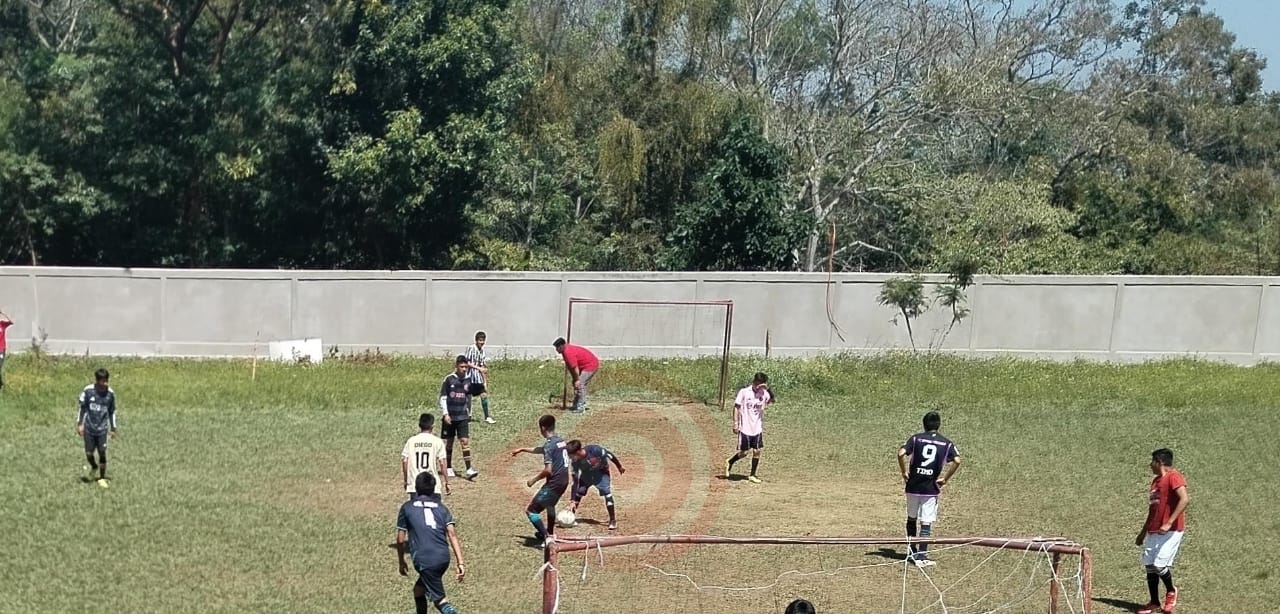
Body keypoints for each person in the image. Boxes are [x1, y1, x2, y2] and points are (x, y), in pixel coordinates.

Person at [896, 410, 961, 567]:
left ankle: (911, 551)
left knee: (911, 518)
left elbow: (901, 453)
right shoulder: (946, 443)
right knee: (926, 522)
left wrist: (904, 472)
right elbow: (957, 460)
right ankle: (921, 556)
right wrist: (945, 479)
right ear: (938, 425)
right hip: (930, 488)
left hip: (913, 485)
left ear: (924, 425)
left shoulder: (916, 438)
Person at [396, 472, 466, 614]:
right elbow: (452, 534)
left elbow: (400, 539)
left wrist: (401, 561)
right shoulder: (441, 508)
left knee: (440, 600)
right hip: (443, 558)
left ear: (416, 487)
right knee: (418, 591)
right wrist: (460, 562)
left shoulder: (407, 507)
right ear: (434, 488)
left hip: (424, 559)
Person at [1135, 448, 1189, 614]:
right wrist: (1143, 532)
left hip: (1171, 530)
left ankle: (1171, 591)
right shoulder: (1155, 482)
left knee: (1159, 565)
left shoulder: (1174, 476)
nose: (1150, 465)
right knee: (1149, 565)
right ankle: (1154, 602)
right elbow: (1153, 510)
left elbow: (1184, 499)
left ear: (1159, 462)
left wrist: (1169, 521)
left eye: (1152, 461)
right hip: (1154, 530)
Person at [509, 414, 570, 545]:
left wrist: (533, 480)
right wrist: (523, 449)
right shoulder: (560, 441)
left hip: (554, 483)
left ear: (542, 428)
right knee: (550, 505)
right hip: (564, 481)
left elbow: (548, 470)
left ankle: (547, 538)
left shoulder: (549, 445)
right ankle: (550, 532)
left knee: (531, 511)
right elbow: (542, 450)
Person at [724, 372, 774, 483]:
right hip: (745, 427)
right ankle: (730, 462)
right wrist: (735, 423)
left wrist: (768, 389)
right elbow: (736, 407)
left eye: (762, 384)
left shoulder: (764, 393)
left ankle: (752, 475)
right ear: (754, 381)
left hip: (757, 427)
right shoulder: (744, 392)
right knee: (744, 453)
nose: (759, 386)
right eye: (758, 383)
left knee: (757, 451)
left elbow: (772, 400)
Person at [566, 439, 626, 530]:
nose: (570, 458)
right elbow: (575, 481)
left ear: (577, 452)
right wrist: (572, 500)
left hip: (601, 474)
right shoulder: (575, 462)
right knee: (579, 492)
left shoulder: (595, 450)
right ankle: (570, 518)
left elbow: (610, 455)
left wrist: (619, 466)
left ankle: (612, 520)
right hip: (587, 475)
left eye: (571, 455)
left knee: (606, 492)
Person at [76, 368, 118, 488]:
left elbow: (112, 412)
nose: (105, 383)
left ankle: (102, 478)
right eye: (102, 381)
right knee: (89, 453)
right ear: (97, 380)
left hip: (102, 429)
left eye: (106, 380)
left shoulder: (110, 394)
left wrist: (113, 428)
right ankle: (94, 466)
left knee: (102, 453)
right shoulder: (88, 391)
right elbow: (82, 408)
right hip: (89, 428)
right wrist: (80, 424)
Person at [440, 355, 479, 479]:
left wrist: (469, 412)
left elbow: (469, 397)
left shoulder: (468, 380)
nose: (464, 369)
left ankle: (469, 469)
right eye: (462, 367)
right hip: (450, 416)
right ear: (456, 366)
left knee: (465, 442)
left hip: (462, 416)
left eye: (466, 367)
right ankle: (449, 467)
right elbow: (443, 397)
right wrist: (445, 414)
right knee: (449, 442)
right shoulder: (449, 379)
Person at [403, 413, 449, 498]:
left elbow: (405, 461)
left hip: (415, 484)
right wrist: (447, 481)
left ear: (420, 425)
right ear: (432, 426)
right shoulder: (437, 441)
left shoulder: (411, 441)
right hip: (432, 485)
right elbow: (442, 462)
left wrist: (406, 480)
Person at [553, 337, 599, 413]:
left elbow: (575, 368)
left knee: (580, 384)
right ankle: (576, 405)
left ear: (561, 346)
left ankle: (581, 407)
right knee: (577, 385)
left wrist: (577, 380)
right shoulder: (564, 352)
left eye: (557, 348)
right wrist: (574, 379)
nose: (556, 350)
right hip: (583, 366)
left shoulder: (568, 352)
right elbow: (571, 367)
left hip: (590, 365)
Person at [463, 331, 494, 424]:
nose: (482, 342)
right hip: (469, 377)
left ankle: (487, 416)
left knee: (483, 394)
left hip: (478, 378)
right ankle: (467, 416)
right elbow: (467, 362)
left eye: (483, 340)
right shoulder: (471, 348)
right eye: (480, 340)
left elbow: (482, 367)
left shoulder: (482, 352)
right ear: (476, 340)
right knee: (468, 397)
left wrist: (485, 381)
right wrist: (478, 368)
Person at [0, 308, 12, 390]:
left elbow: (11, 321)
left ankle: (1, 385)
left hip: (1, 349)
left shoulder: (2, 324)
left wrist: (3, 313)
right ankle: (2, 385)